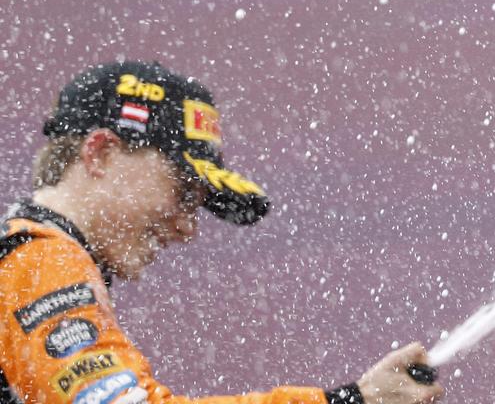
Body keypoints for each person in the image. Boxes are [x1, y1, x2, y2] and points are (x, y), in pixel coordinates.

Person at [0, 61, 445, 404]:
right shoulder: (41, 261)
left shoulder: (27, 257)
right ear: (100, 154)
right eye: (182, 191)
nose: (187, 227)